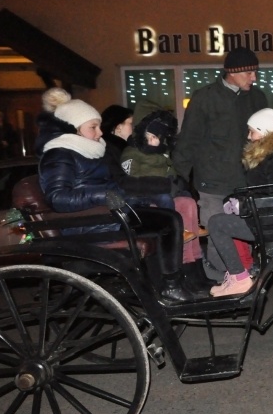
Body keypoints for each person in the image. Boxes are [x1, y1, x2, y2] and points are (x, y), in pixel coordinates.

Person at [36, 88, 193, 302]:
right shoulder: (58, 155)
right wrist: (104, 194)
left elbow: (113, 185)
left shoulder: (88, 151)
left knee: (163, 210)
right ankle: (170, 285)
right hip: (88, 223)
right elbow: (58, 198)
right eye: (93, 127)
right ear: (74, 129)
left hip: (106, 214)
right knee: (167, 220)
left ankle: (162, 286)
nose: (100, 132)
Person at [173, 46, 268, 280]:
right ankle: (221, 279)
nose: (254, 78)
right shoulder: (204, 98)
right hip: (213, 182)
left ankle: (237, 279)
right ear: (232, 73)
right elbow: (189, 140)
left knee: (242, 233)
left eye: (255, 72)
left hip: (246, 181)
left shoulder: (257, 98)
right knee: (217, 232)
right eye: (249, 73)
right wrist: (184, 179)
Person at [207, 109, 273, 297]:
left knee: (217, 223)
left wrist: (244, 206)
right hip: (272, 218)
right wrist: (236, 201)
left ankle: (240, 279)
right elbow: (263, 191)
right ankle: (241, 273)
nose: (249, 137)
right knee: (224, 218)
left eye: (253, 131)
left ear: (266, 131)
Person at [120, 110, 214, 291]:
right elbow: (130, 177)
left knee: (188, 201)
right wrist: (163, 182)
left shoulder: (160, 154)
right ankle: (181, 260)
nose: (156, 141)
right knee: (171, 205)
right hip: (142, 197)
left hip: (160, 190)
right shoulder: (132, 151)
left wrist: (177, 182)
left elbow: (171, 170)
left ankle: (194, 267)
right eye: (153, 137)